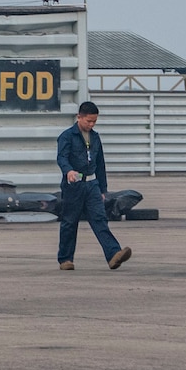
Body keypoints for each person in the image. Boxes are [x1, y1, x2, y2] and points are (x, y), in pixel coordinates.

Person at [57, 101, 131, 271]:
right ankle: (65, 259)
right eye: (88, 121)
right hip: (73, 186)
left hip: (92, 185)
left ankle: (113, 254)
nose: (91, 124)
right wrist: (68, 171)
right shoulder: (67, 136)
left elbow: (100, 164)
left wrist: (103, 189)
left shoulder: (95, 137)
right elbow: (61, 158)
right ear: (79, 117)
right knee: (70, 222)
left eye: (94, 121)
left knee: (100, 219)